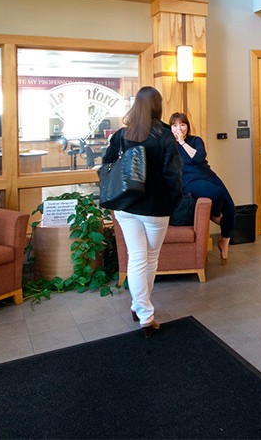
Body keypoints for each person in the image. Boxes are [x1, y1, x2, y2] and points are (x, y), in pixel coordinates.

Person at [102, 87, 182, 338]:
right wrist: (173, 202)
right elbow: (173, 176)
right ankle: (145, 316)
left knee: (137, 258)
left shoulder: (122, 135)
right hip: (155, 209)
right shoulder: (164, 136)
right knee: (150, 259)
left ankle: (140, 307)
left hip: (125, 206)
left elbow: (106, 165)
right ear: (158, 107)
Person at [169, 112, 235, 265]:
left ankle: (224, 244)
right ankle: (214, 215)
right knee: (216, 194)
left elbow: (198, 158)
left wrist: (183, 142)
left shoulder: (195, 140)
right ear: (170, 128)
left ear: (187, 126)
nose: (179, 128)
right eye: (174, 125)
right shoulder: (169, 145)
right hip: (187, 180)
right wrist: (177, 142)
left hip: (207, 174)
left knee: (230, 208)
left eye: (182, 124)